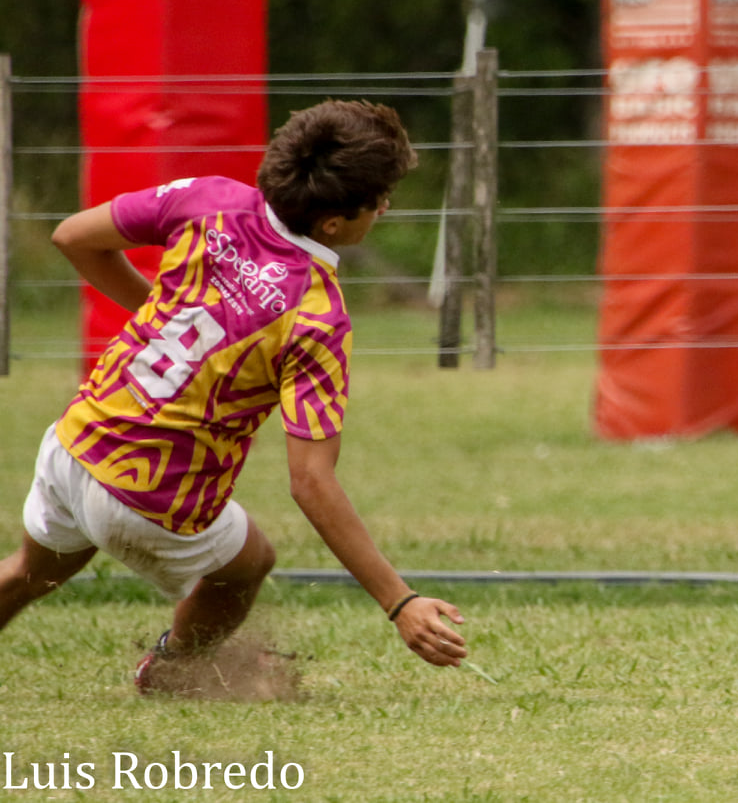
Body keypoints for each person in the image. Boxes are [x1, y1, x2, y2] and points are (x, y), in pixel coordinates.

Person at [0, 100, 468, 693]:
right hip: (150, 497)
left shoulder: (209, 198)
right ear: (334, 222)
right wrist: (401, 604)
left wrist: (155, 313)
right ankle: (171, 671)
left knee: (28, 573)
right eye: (380, 199)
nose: (384, 207)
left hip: (76, 441)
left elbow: (73, 236)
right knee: (247, 565)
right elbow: (311, 481)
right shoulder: (316, 315)